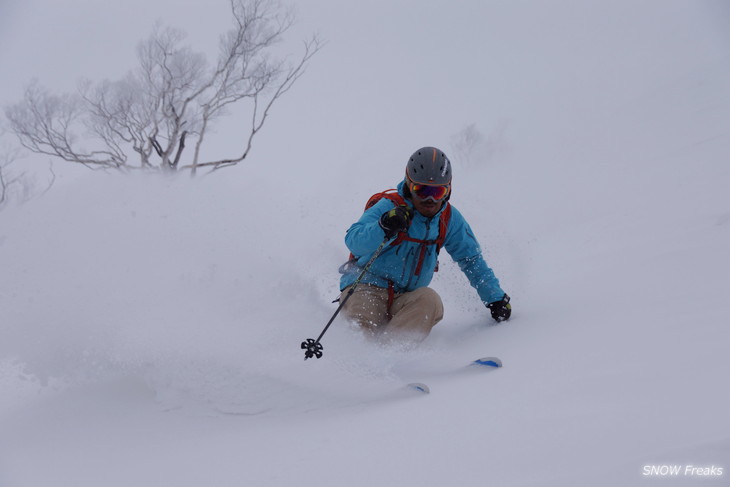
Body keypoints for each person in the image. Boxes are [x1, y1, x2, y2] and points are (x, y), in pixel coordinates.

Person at [339, 146, 511, 344]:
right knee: (362, 320)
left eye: (438, 192)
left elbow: (470, 259)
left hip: (406, 298)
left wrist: (495, 298)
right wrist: (383, 226)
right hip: (366, 287)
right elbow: (354, 241)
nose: (430, 199)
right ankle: (355, 360)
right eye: (421, 190)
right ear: (409, 185)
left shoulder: (449, 219)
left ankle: (389, 359)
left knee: (429, 300)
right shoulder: (390, 207)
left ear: (448, 190)